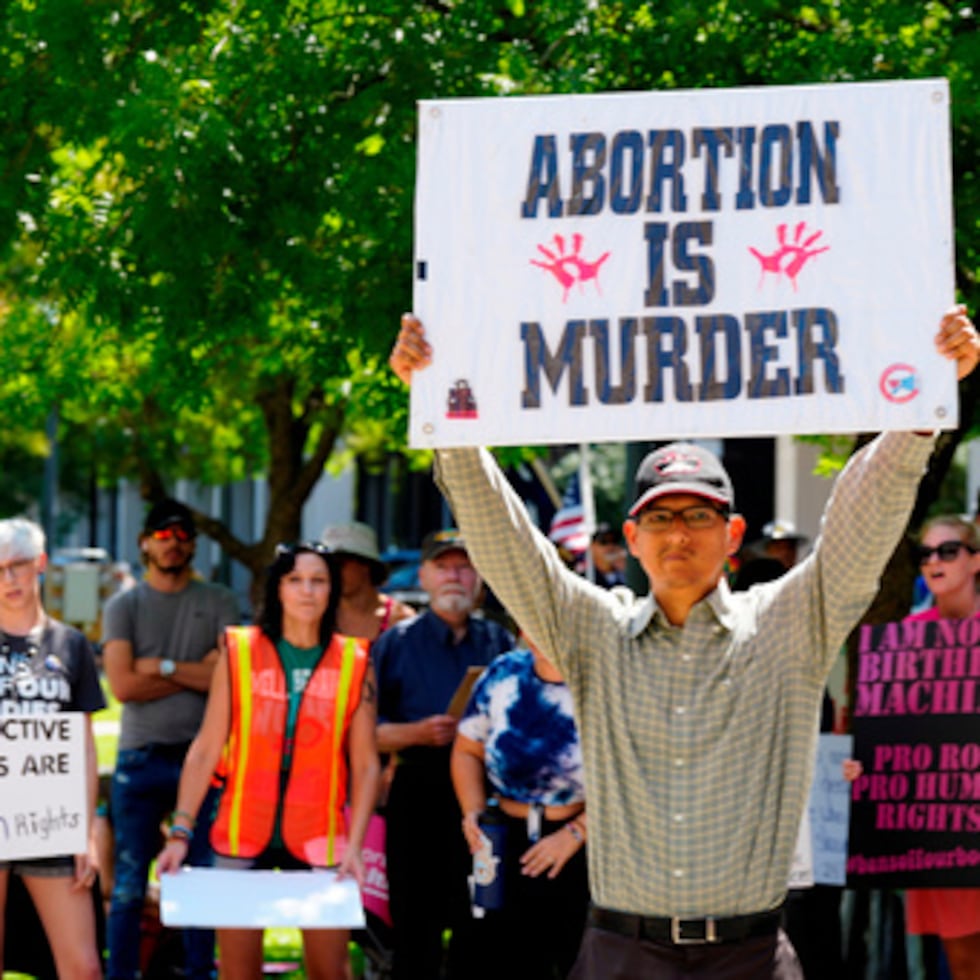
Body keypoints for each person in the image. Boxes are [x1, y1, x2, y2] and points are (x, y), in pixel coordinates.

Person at [389, 306, 980, 979]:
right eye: (660, 517)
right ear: (632, 538)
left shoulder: (791, 623)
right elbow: (507, 543)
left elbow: (860, 522)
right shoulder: (591, 632)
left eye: (699, 515)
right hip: (620, 953)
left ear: (732, 536)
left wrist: (918, 417)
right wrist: (443, 414)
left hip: (751, 956)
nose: (678, 534)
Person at [156, 541, 380, 978]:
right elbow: (205, 747)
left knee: (329, 970)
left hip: (322, 835)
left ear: (332, 590)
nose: (307, 591)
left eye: (318, 581)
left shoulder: (356, 660)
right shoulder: (239, 651)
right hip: (241, 830)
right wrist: (180, 832)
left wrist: (356, 845)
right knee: (239, 972)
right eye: (295, 580)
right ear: (277, 589)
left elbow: (367, 764)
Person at [102, 498, 241, 980]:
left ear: (194, 545)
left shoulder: (219, 600)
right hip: (139, 758)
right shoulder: (124, 605)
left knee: (201, 880)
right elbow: (122, 686)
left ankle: (199, 972)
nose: (174, 544)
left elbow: (228, 677)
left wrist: (157, 666)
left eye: (182, 536)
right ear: (145, 543)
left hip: (201, 760)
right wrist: (195, 671)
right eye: (163, 536)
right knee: (127, 887)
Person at [373, 528, 513, 980]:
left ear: (480, 578)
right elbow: (362, 733)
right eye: (444, 566)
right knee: (416, 928)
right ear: (424, 576)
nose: (455, 576)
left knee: (482, 923)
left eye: (465, 566)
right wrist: (413, 733)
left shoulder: (499, 642)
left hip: (484, 800)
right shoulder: (394, 643)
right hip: (416, 792)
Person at [0, 517, 104, 980]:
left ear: (40, 564)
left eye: (18, 566)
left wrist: (84, 833)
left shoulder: (71, 644)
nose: (8, 580)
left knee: (81, 966)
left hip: (52, 820)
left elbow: (83, 747)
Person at [451, 633, 589, 979]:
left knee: (575, 960)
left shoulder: (600, 678)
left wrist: (577, 832)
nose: (540, 630)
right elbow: (467, 749)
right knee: (493, 958)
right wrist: (473, 810)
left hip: (580, 846)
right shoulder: (504, 672)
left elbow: (628, 777)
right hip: (502, 839)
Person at [903, 514, 980, 979]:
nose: (935, 561)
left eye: (948, 550)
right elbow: (895, 733)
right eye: (925, 554)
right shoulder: (906, 639)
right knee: (963, 960)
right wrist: (866, 766)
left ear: (975, 561)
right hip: (942, 823)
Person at [320, 521, 416, 642]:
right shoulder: (318, 616)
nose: (332, 572)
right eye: (327, 565)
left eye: (339, 564)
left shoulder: (402, 620)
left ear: (366, 565)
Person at [588, 524, 627, 588]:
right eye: (603, 542)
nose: (610, 546)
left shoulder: (624, 573)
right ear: (592, 546)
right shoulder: (587, 576)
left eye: (614, 541)